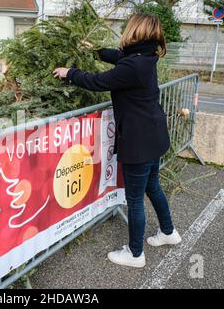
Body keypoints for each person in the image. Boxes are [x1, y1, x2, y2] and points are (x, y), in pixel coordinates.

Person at [53, 13, 182, 268]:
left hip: (139, 142)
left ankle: (135, 254)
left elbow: (97, 81)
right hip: (154, 137)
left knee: (134, 199)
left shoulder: (132, 66)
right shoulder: (146, 57)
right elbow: (119, 56)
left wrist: (70, 72)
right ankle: (169, 232)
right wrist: (96, 51)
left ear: (135, 31)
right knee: (153, 186)